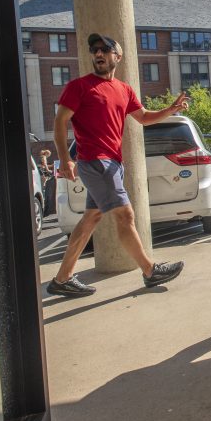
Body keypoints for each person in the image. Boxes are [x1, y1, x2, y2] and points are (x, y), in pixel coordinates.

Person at [47, 33, 190, 297]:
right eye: (94, 50)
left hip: (113, 162)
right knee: (125, 216)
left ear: (118, 56)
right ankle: (150, 270)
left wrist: (171, 110)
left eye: (104, 49)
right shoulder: (80, 87)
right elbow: (60, 121)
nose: (98, 54)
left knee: (91, 217)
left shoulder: (124, 90)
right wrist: (65, 158)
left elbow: (144, 117)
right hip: (97, 162)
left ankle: (62, 278)